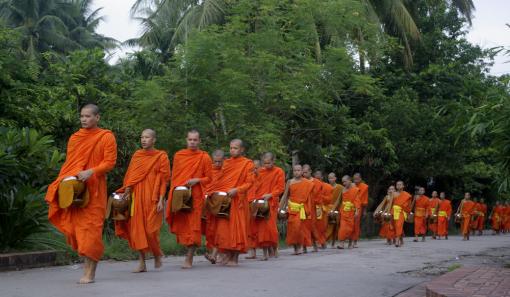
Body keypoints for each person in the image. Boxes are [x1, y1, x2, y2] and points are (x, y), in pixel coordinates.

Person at [45, 104, 117, 284]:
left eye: (88, 116)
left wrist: (91, 172)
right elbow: (70, 163)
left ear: (97, 117)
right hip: (76, 190)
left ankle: (90, 272)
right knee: (78, 230)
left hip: (95, 190)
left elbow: (109, 163)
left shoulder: (106, 137)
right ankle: (87, 267)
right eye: (82, 116)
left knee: (91, 231)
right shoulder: (75, 138)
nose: (84, 119)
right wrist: (67, 179)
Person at [115, 129, 170, 272]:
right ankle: (142, 263)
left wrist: (161, 200)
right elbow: (130, 176)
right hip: (137, 197)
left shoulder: (161, 156)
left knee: (151, 230)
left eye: (147, 137)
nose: (144, 140)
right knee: (137, 230)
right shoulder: (137, 155)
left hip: (153, 198)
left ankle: (157, 253)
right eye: (142, 137)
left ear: (154, 140)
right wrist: (127, 190)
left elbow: (164, 180)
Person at [166, 129, 212, 268]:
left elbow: (210, 178)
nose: (192, 142)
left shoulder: (204, 157)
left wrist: (197, 180)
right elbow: (174, 176)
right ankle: (188, 253)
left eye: (195, 140)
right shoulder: (179, 155)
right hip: (180, 195)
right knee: (182, 224)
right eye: (190, 139)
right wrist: (172, 194)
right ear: (186, 140)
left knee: (193, 226)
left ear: (199, 141)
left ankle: (189, 258)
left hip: (195, 196)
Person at [208, 139, 254, 266]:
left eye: (235, 148)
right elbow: (219, 180)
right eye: (231, 148)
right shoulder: (226, 163)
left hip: (238, 201)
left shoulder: (247, 164)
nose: (232, 150)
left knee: (237, 229)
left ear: (242, 150)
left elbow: (250, 183)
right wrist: (212, 192)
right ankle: (227, 254)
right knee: (224, 229)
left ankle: (235, 258)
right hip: (225, 201)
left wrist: (237, 190)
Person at [251, 152, 285, 260]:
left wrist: (270, 195)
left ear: (273, 161)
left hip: (272, 203)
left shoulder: (279, 171)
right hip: (261, 203)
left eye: (269, 163)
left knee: (271, 228)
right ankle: (265, 253)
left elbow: (281, 188)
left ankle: (274, 248)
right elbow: (255, 185)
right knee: (261, 228)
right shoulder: (260, 171)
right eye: (264, 163)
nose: (266, 165)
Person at [279, 164, 314, 255]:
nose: (297, 172)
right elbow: (285, 195)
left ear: (302, 172)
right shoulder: (290, 182)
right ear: (293, 171)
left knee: (300, 228)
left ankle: (300, 247)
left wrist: (309, 210)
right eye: (295, 170)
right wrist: (280, 208)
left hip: (302, 209)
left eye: (298, 170)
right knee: (293, 229)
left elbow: (309, 198)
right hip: (292, 209)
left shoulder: (307, 183)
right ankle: (295, 248)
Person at [204, 149, 225, 264]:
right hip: (210, 204)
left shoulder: (227, 171)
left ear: (224, 160)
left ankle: (215, 255)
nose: (217, 164)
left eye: (219, 162)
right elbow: (205, 186)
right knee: (211, 230)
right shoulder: (208, 171)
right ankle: (215, 254)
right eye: (215, 162)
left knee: (220, 230)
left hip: (222, 204)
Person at [332, 175, 360, 249]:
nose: (343, 183)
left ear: (350, 181)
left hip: (351, 211)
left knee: (351, 228)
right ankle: (341, 243)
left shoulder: (355, 190)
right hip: (343, 211)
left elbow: (357, 201)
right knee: (343, 227)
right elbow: (338, 201)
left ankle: (350, 242)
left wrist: (357, 211)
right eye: (343, 182)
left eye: (345, 181)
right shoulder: (343, 190)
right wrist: (333, 209)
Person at [302, 165, 325, 252]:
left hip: (314, 207)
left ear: (310, 171)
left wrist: (318, 208)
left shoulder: (318, 183)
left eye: (306, 172)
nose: (304, 174)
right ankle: (304, 247)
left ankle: (315, 245)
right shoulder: (301, 181)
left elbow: (319, 197)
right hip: (303, 206)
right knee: (303, 226)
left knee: (313, 226)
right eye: (303, 172)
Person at [246, 160, 262, 259]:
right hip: (247, 203)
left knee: (255, 229)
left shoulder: (261, 178)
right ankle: (251, 251)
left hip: (256, 203)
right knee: (248, 229)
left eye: (256, 168)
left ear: (260, 168)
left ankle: (257, 250)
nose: (254, 170)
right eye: (253, 169)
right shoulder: (249, 178)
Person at [325, 173, 343, 247]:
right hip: (328, 208)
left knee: (337, 226)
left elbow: (341, 199)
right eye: (329, 178)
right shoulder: (326, 187)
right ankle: (325, 240)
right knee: (328, 225)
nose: (330, 180)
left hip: (337, 208)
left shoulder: (340, 187)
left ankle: (333, 242)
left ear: (335, 178)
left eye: (332, 178)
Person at [392, 181, 412, 247]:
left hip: (401, 212)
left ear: (403, 186)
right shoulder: (394, 194)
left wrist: (408, 214)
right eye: (397, 184)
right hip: (393, 211)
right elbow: (390, 204)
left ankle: (397, 240)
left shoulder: (407, 195)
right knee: (395, 226)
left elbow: (409, 206)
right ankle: (401, 239)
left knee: (398, 225)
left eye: (400, 184)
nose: (398, 186)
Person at [352, 173, 368, 248]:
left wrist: (364, 211)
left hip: (358, 207)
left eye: (357, 179)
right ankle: (349, 240)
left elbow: (365, 200)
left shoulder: (364, 187)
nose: (355, 180)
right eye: (354, 179)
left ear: (360, 179)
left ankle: (355, 241)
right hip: (349, 207)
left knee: (356, 225)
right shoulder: (351, 186)